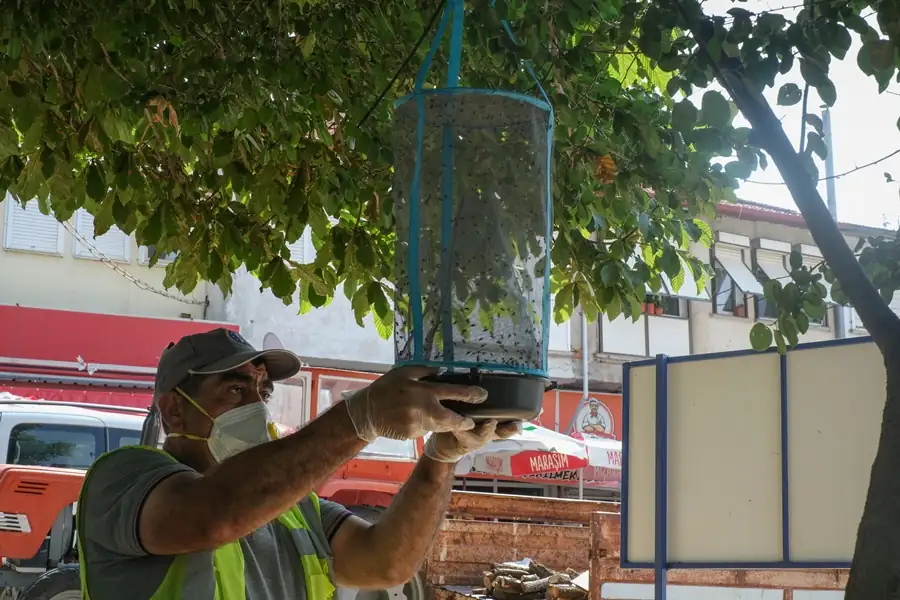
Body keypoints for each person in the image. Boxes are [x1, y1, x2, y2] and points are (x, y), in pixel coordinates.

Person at [77, 328, 518, 600]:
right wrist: (358, 418)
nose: (257, 407)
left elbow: (387, 563)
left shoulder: (294, 509)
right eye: (235, 391)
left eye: (262, 392)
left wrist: (440, 458)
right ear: (175, 411)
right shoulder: (123, 477)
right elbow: (215, 515)